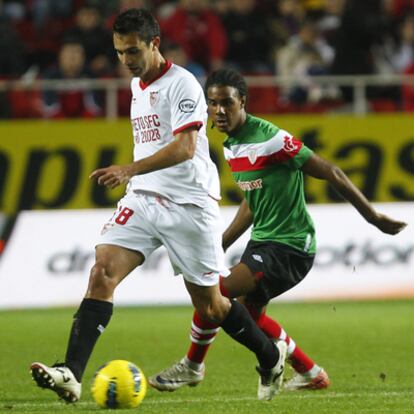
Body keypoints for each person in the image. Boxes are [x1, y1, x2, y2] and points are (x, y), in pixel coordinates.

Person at [29, 9, 286, 403]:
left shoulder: (183, 84)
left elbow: (185, 148)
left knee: (213, 307)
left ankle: (270, 356)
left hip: (189, 204)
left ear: (154, 44)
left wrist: (129, 168)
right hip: (145, 198)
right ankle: (71, 373)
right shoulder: (137, 86)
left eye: (133, 51)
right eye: (119, 52)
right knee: (102, 272)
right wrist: (137, 178)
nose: (126, 60)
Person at [148, 68, 408, 392]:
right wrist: (221, 243)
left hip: (291, 246)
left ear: (242, 101)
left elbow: (331, 171)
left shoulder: (270, 138)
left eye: (227, 102)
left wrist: (372, 217)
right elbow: (253, 201)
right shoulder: (232, 146)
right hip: (263, 243)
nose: (219, 111)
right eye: (213, 104)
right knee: (247, 316)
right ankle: (311, 373)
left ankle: (193, 365)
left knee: (215, 293)